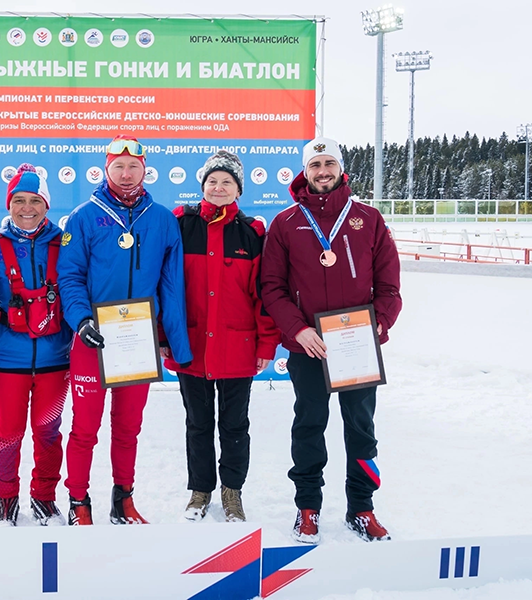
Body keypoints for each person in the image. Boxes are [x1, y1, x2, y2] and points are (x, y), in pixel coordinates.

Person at [260, 137, 402, 543]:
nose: (322, 171)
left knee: (362, 428)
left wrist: (380, 323)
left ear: (341, 169)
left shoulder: (368, 219)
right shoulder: (286, 222)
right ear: (305, 172)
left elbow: (389, 285)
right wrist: (297, 330)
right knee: (309, 425)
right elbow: (272, 287)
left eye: (329, 163)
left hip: (357, 344)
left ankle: (362, 507)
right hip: (309, 346)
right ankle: (308, 507)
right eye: (315, 164)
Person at [57, 134, 192, 526]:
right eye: (119, 166)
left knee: (128, 428)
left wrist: (172, 342)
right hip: (93, 338)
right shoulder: (84, 216)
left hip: (138, 339)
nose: (127, 173)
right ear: (106, 169)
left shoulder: (163, 219)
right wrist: (81, 321)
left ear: (145, 169)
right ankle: (79, 500)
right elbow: (70, 275)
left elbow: (171, 285)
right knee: (84, 428)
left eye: (134, 166)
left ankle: (124, 498)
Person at [164, 150, 280, 523]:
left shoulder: (251, 233)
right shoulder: (180, 226)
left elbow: (264, 295)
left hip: (236, 347)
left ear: (238, 190)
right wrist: (165, 337)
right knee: (198, 422)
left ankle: (232, 492)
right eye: (212, 181)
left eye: (226, 182)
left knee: (234, 425)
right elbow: (164, 286)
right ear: (202, 186)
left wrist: (266, 344)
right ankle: (201, 491)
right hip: (191, 346)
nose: (218, 187)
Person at [0, 164, 72, 527]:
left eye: (35, 200)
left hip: (55, 355)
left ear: (46, 205)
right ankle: (5, 498)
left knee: (48, 430)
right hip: (8, 357)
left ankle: (44, 495)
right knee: (8, 431)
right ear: (8, 204)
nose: (26, 208)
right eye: (18, 200)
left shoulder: (64, 242)